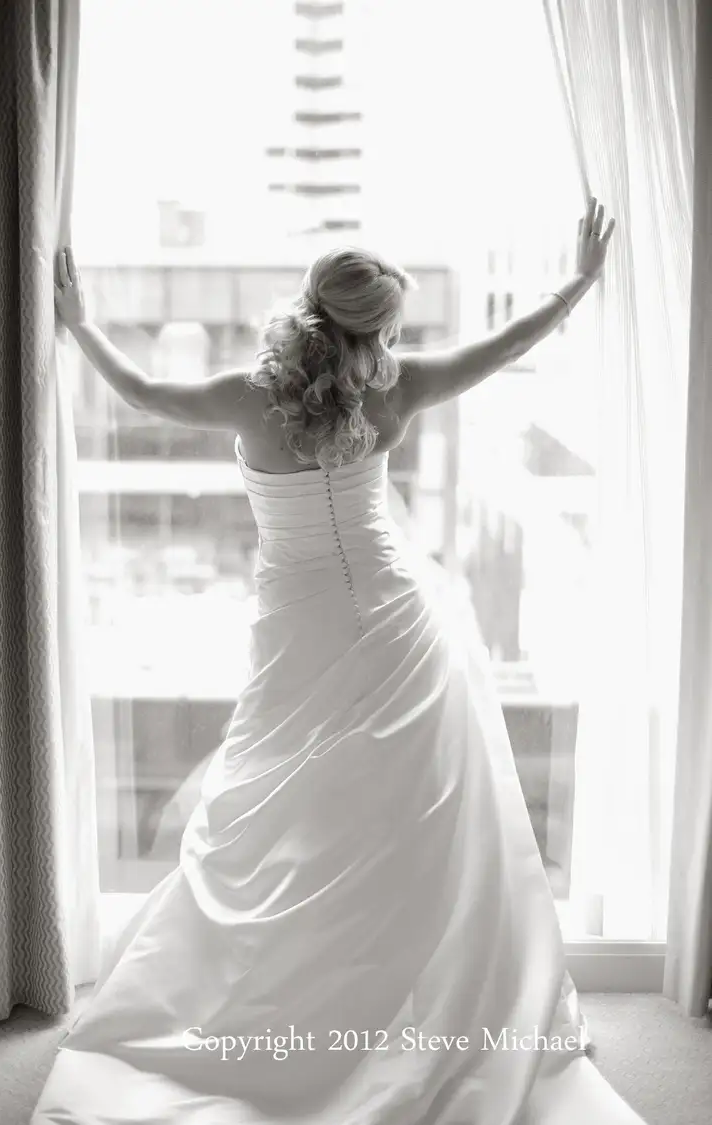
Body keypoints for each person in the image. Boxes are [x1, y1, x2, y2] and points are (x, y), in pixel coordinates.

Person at [33, 198, 644, 1125]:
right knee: (408, 813)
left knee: (290, 806)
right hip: (398, 619)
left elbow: (144, 394)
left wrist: (79, 325)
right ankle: (405, 988)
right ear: (375, 329)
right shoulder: (397, 388)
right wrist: (578, 282)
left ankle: (306, 992)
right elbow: (506, 345)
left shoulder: (249, 395)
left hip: (301, 622)